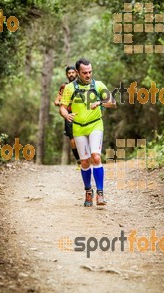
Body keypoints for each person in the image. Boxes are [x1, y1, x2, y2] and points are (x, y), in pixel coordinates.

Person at [60, 58, 116, 207]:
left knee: (96, 157)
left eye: (90, 72)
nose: (88, 75)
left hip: (95, 125)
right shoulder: (70, 88)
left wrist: (100, 102)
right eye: (85, 72)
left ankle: (100, 194)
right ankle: (88, 191)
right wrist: (66, 115)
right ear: (78, 72)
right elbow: (62, 107)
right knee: (84, 161)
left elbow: (113, 102)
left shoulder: (98, 85)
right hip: (78, 127)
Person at [55, 66, 80, 167]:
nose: (71, 75)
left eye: (73, 73)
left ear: (77, 73)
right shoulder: (64, 87)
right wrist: (60, 103)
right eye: (69, 73)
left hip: (81, 114)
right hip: (69, 115)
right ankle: (79, 161)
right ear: (66, 75)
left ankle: (87, 158)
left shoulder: (81, 85)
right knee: (72, 139)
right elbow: (57, 100)